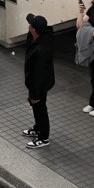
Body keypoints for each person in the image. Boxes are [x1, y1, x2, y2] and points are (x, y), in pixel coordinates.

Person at [21, 13, 55, 149]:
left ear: (34, 29)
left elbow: (38, 75)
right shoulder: (37, 38)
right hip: (37, 82)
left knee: (40, 108)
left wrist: (34, 94)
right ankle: (38, 128)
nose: (28, 25)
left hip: (39, 85)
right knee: (36, 107)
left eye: (30, 24)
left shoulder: (41, 50)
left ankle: (43, 137)